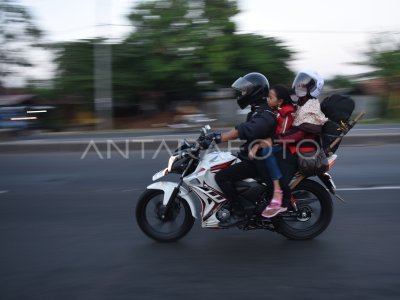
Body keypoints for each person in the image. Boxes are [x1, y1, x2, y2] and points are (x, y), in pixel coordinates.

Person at [197, 72, 277, 227]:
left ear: (255, 91)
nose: (242, 94)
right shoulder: (257, 111)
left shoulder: (265, 114)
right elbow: (244, 130)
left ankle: (239, 211)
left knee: (221, 177)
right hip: (253, 157)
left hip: (259, 161)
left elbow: (246, 130)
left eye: (244, 91)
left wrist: (219, 138)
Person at [248, 84, 295, 218]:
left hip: (286, 144)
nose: (267, 100)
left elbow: (283, 134)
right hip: (278, 141)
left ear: (280, 101)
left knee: (266, 152)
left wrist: (263, 143)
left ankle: (276, 189)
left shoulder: (288, 112)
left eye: (270, 97)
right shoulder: (276, 111)